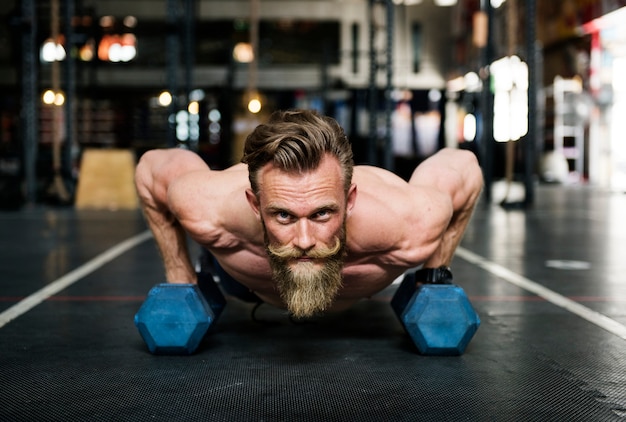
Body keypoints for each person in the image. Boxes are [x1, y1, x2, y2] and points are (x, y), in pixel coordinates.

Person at [135, 109, 483, 319]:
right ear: (255, 206)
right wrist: (180, 277)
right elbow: (151, 168)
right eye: (283, 216)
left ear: (350, 201)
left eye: (321, 214)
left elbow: (463, 166)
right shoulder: (209, 207)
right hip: (242, 284)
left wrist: (433, 276)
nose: (304, 241)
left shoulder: (410, 221)